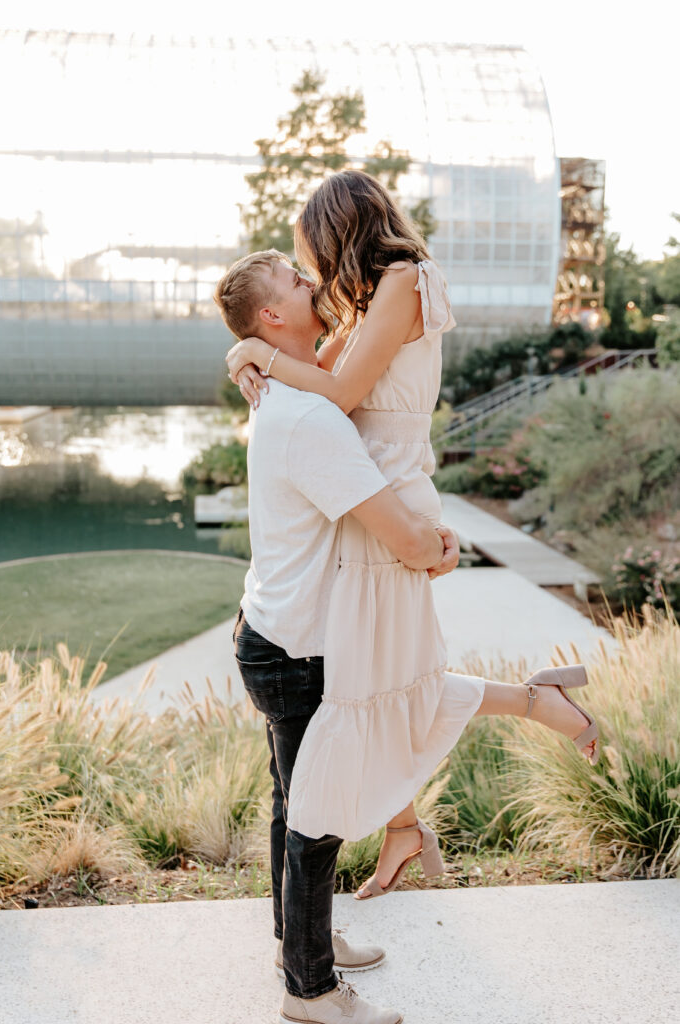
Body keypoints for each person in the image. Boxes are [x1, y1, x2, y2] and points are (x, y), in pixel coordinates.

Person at [225, 171, 599, 904]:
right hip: (365, 498)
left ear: (342, 230)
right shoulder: (366, 305)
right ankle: (409, 817)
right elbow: (311, 372)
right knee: (367, 681)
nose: (316, 273)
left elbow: (333, 392)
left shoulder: (406, 279)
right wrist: (243, 351)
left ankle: (533, 708)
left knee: (374, 684)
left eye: (316, 254)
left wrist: (257, 356)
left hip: (385, 491)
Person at [214, 249, 462, 1024]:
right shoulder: (309, 415)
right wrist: (439, 550)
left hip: (273, 632)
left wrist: (249, 356)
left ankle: (299, 941)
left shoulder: (286, 396)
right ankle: (311, 990)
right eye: (295, 279)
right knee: (314, 823)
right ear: (271, 318)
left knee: (295, 805)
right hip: (296, 649)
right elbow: (396, 531)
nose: (311, 281)